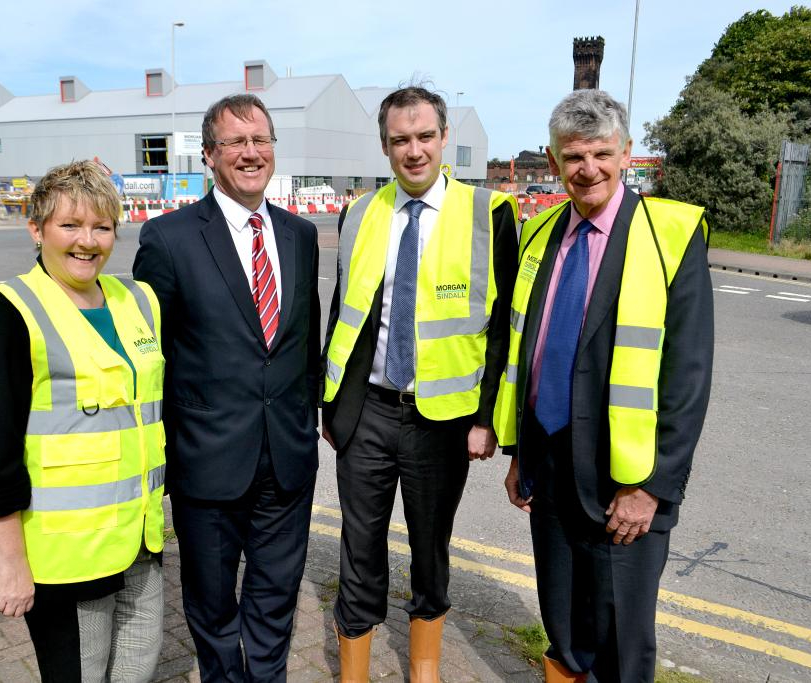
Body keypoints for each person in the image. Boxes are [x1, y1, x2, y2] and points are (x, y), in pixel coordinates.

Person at [494, 90, 714, 682]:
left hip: (627, 480)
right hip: (550, 461)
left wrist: (653, 487)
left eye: (600, 154)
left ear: (626, 153)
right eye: (572, 157)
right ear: (553, 158)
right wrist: (520, 454)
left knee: (619, 639)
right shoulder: (540, 232)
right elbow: (526, 350)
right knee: (563, 625)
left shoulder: (672, 232)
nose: (587, 168)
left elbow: (688, 376)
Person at [322, 86, 518, 682]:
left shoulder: (489, 214)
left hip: (444, 417)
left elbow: (505, 326)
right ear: (385, 146)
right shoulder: (359, 213)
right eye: (401, 140)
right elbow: (343, 313)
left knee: (431, 546)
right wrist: (334, 406)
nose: (414, 151)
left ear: (443, 140)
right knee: (360, 547)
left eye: (425, 137)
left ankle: (424, 666)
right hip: (369, 413)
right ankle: (355, 667)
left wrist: (487, 419)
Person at [132, 94, 320, 682]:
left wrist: (308, 420)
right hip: (207, 460)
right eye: (235, 142)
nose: (250, 152)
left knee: (275, 598)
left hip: (286, 459)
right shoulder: (168, 238)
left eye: (260, 140)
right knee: (213, 609)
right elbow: (149, 357)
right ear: (210, 155)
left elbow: (303, 338)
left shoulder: (300, 234)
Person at [0, 160, 167, 683]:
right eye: (69, 226)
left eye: (102, 226)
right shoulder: (11, 310)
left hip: (140, 538)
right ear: (36, 229)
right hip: (66, 554)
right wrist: (11, 562)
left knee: (137, 668)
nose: (87, 241)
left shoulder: (137, 300)